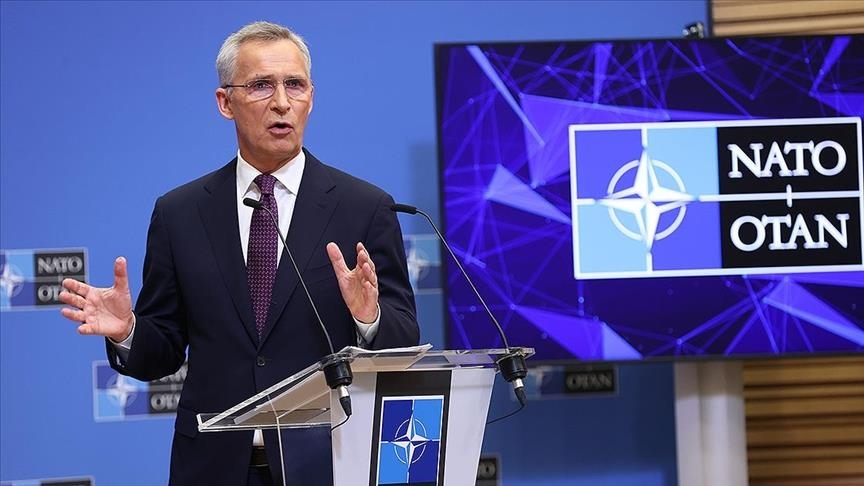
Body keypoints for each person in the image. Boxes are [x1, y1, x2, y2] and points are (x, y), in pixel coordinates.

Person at [59, 20, 419, 486]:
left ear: (311, 97)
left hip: (329, 465)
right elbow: (161, 351)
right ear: (225, 102)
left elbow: (404, 342)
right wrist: (129, 330)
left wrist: (369, 318)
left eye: (295, 85)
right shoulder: (180, 213)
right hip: (213, 468)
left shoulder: (364, 208)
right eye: (261, 85)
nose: (282, 102)